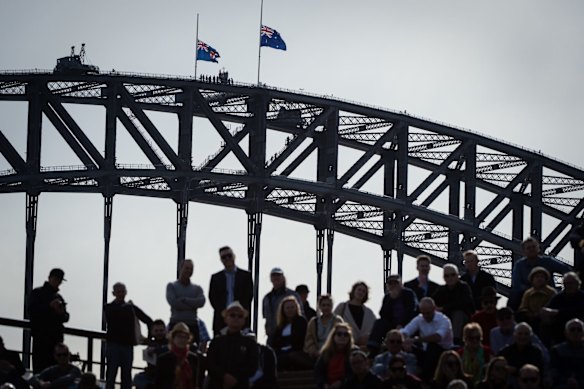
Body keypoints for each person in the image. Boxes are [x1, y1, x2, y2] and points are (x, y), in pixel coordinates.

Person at [104, 282, 153, 389]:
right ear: (114, 293)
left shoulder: (109, 307)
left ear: (125, 292)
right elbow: (148, 321)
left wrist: (149, 338)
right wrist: (149, 338)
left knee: (121, 377)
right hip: (118, 346)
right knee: (114, 376)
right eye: (119, 292)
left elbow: (149, 321)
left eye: (122, 292)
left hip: (122, 346)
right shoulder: (117, 308)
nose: (121, 294)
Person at [206, 301, 259, 389]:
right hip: (218, 385)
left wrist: (235, 378)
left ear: (244, 321)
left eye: (240, 316)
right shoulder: (216, 342)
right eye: (232, 315)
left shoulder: (250, 343)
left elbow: (252, 366)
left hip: (241, 385)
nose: (236, 318)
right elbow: (210, 364)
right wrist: (224, 376)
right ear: (225, 319)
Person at [509, 237, 571, 310]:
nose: (532, 249)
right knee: (514, 294)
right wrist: (533, 290)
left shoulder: (548, 261)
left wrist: (568, 283)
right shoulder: (519, 265)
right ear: (524, 251)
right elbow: (516, 284)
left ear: (538, 248)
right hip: (527, 293)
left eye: (534, 247)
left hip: (548, 291)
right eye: (529, 248)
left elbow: (566, 270)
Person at [401, 297, 454, 381]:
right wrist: (404, 341)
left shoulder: (444, 320)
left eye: (428, 313)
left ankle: (425, 378)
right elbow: (406, 330)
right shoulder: (420, 318)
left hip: (443, 352)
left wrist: (415, 340)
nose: (425, 316)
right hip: (426, 353)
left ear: (434, 309)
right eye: (423, 313)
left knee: (432, 346)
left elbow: (438, 337)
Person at [28, 268, 69, 373]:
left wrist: (61, 313)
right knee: (43, 371)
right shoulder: (38, 293)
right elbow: (32, 312)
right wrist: (50, 307)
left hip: (52, 340)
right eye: (56, 279)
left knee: (50, 372)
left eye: (59, 280)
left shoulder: (53, 296)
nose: (58, 282)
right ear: (50, 278)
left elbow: (66, 317)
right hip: (42, 339)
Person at [368, 275, 418, 356]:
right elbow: (383, 314)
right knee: (379, 323)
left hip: (408, 324)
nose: (394, 286)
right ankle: (373, 348)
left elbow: (411, 311)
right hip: (392, 324)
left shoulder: (408, 294)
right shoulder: (387, 297)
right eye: (391, 284)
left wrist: (402, 324)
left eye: (396, 283)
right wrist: (391, 300)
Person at [209, 246, 253, 335]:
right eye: (224, 257)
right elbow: (212, 297)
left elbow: (248, 295)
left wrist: (239, 312)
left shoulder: (245, 276)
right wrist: (224, 312)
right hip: (221, 320)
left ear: (234, 256)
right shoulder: (216, 278)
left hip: (241, 319)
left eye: (229, 255)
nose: (227, 259)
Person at [432, 264, 475, 343]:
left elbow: (464, 303)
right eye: (447, 276)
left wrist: (444, 308)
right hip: (447, 317)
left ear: (458, 275)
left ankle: (455, 341)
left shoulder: (464, 287)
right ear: (444, 278)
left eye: (452, 275)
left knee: (457, 314)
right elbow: (432, 301)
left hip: (463, 318)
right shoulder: (441, 289)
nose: (450, 278)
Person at [166, 259, 206, 343]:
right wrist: (193, 304)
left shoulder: (197, 288)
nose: (189, 271)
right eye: (187, 268)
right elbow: (173, 303)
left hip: (193, 325)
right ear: (180, 268)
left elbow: (201, 302)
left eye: (191, 269)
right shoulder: (172, 286)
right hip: (175, 324)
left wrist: (184, 300)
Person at [262, 267, 303, 346]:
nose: (276, 278)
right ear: (271, 279)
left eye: (278, 275)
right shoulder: (267, 298)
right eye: (273, 276)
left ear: (283, 277)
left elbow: (300, 314)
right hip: (272, 337)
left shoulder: (293, 295)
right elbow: (265, 317)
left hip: (290, 336)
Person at [542, 272, 584, 343]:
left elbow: (578, 311)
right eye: (567, 283)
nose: (569, 286)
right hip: (560, 330)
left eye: (571, 283)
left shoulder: (582, 296)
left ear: (577, 283)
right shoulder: (559, 297)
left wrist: (558, 312)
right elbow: (549, 307)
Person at [272, 296, 311, 371]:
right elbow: (275, 343)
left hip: (296, 352)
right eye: (287, 308)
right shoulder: (280, 326)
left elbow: (300, 339)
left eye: (292, 307)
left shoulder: (301, 321)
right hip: (281, 353)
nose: (290, 310)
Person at [333, 282, 376, 349]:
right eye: (359, 290)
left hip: (363, 348)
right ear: (354, 291)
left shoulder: (369, 313)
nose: (360, 292)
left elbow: (374, 329)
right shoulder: (342, 307)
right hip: (344, 345)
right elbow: (333, 324)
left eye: (363, 291)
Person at [155, 322, 198, 389]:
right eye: (179, 336)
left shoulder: (193, 358)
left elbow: (196, 381)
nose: (182, 340)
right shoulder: (163, 359)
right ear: (173, 338)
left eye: (185, 337)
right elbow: (159, 383)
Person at [304, 294, 344, 361]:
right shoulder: (313, 322)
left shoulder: (337, 320)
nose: (326, 308)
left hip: (333, 351)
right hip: (316, 353)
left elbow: (342, 337)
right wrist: (313, 351)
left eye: (328, 305)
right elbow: (309, 339)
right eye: (323, 305)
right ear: (319, 306)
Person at [315, 323, 355, 389]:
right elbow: (318, 372)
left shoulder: (353, 352)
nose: (343, 337)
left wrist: (341, 382)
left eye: (346, 335)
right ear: (333, 336)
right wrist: (324, 383)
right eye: (339, 334)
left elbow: (353, 374)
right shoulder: (326, 353)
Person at [549, 318, 584, 389]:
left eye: (579, 329)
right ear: (566, 333)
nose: (576, 332)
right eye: (572, 329)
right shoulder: (557, 350)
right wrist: (566, 380)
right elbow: (553, 372)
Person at [133, 319, 168, 389]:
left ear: (165, 331)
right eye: (156, 331)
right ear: (152, 332)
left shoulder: (169, 343)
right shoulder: (151, 343)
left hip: (165, 375)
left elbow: (169, 349)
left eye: (161, 330)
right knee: (137, 378)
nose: (159, 333)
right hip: (151, 374)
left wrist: (156, 350)